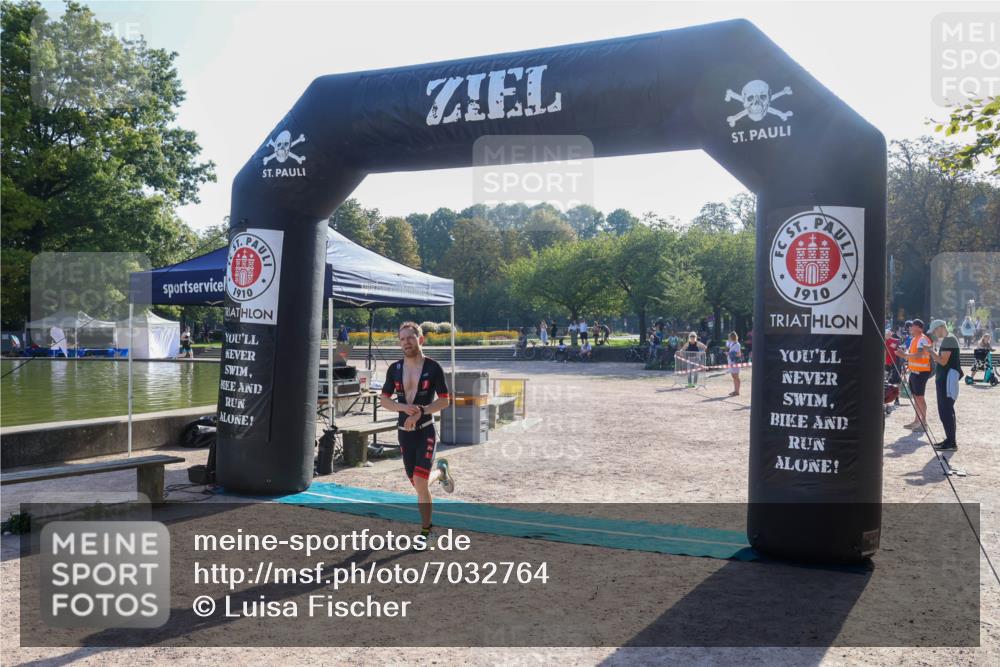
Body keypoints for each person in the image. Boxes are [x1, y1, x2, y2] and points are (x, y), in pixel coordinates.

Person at [379, 322, 455, 541]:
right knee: (417, 482)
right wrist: (403, 407)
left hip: (425, 431)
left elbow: (444, 401)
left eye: (410, 338)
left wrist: (421, 411)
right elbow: (384, 400)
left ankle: (427, 531)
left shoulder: (433, 367)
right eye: (402, 339)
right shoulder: (395, 369)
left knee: (421, 483)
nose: (406, 343)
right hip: (404, 432)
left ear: (420, 339)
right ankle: (441, 473)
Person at [925, 319, 962, 451]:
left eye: (935, 330)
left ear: (941, 327)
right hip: (945, 380)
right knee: (946, 411)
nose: (934, 333)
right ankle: (950, 440)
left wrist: (930, 351)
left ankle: (951, 443)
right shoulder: (949, 339)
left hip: (946, 380)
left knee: (946, 411)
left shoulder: (949, 340)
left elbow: (943, 361)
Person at [895, 319, 932, 431]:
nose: (910, 328)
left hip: (922, 372)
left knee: (920, 397)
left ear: (919, 328)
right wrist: (905, 359)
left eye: (913, 326)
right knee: (916, 397)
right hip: (914, 372)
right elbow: (912, 355)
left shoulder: (923, 339)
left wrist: (904, 355)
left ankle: (924, 423)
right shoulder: (914, 339)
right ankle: (917, 421)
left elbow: (919, 355)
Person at [884, 329, 902, 405]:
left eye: (889, 333)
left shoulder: (896, 341)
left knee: (895, 381)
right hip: (885, 364)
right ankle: (885, 399)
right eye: (886, 333)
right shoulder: (882, 341)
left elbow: (899, 351)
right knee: (885, 382)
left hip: (895, 364)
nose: (888, 335)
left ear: (891, 334)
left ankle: (896, 399)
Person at [725, 331, 743, 397]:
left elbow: (739, 354)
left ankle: (737, 391)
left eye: (729, 337)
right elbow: (727, 348)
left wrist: (729, 353)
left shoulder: (737, 344)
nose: (728, 338)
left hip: (735, 363)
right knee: (734, 376)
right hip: (731, 362)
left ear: (732, 337)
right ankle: (735, 390)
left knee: (736, 377)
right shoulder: (731, 343)